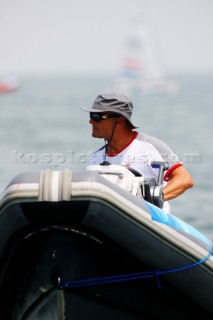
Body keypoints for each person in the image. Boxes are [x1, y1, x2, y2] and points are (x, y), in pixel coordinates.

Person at [81, 93, 194, 212]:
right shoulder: (95, 159)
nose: (91, 121)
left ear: (120, 121)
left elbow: (184, 179)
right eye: (91, 115)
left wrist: (152, 200)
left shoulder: (150, 147)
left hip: (151, 223)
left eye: (96, 117)